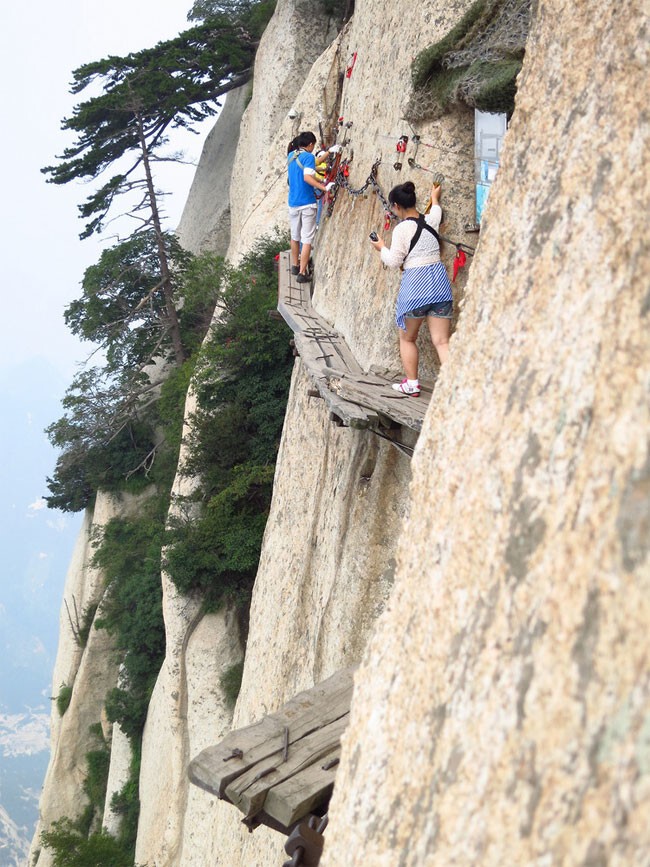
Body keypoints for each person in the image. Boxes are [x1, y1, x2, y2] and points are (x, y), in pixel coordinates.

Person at [370, 181, 453, 395]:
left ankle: (412, 384)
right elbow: (436, 209)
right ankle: (456, 385)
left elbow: (393, 261)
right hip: (439, 286)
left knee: (407, 338)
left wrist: (381, 247)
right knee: (442, 341)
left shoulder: (401, 229)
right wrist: (435, 197)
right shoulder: (431, 220)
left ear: (396, 206)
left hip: (416, 288)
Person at [287, 132, 339, 283]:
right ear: (310, 144)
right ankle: (302, 274)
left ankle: (295, 266)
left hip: (293, 203)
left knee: (295, 236)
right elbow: (308, 177)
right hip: (307, 202)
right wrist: (324, 187)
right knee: (307, 239)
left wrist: (329, 152)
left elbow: (313, 163)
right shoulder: (308, 157)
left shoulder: (291, 156)